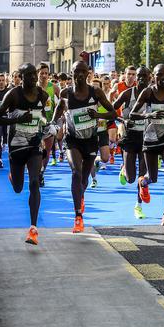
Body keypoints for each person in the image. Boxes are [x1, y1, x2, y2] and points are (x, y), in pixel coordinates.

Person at [52, 61, 116, 234]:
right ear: (71, 73)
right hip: (72, 139)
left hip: (90, 140)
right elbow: (58, 111)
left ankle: (80, 197)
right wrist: (52, 124)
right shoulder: (66, 93)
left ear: (88, 73)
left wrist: (97, 114)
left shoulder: (96, 92)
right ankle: (78, 216)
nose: (79, 75)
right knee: (76, 172)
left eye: (83, 72)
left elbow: (113, 113)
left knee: (84, 179)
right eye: (76, 72)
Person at [0, 64, 50, 244]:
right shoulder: (13, 95)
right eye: (29, 75)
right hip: (16, 146)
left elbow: (42, 117)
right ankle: (13, 176)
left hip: (34, 145)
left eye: (35, 74)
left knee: (34, 182)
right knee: (18, 188)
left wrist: (46, 128)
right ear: (21, 77)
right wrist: (17, 119)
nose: (34, 77)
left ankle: (33, 228)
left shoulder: (43, 95)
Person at [129, 64, 164, 227]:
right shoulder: (147, 92)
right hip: (150, 139)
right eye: (159, 75)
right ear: (154, 77)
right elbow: (132, 115)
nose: (162, 78)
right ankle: (143, 182)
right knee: (154, 178)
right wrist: (149, 114)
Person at [112, 66, 150, 219]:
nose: (141, 78)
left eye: (144, 76)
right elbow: (111, 109)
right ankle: (124, 170)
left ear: (149, 78)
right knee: (131, 178)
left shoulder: (154, 94)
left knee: (142, 176)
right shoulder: (128, 94)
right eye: (138, 76)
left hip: (147, 138)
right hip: (130, 137)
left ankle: (138, 206)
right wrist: (121, 120)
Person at [37, 63, 58, 183]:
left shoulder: (54, 88)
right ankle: (37, 170)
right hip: (36, 124)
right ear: (37, 74)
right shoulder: (33, 87)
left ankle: (42, 172)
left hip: (50, 123)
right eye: (42, 73)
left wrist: (59, 119)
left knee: (47, 150)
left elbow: (61, 105)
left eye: (46, 73)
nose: (44, 75)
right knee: (39, 149)